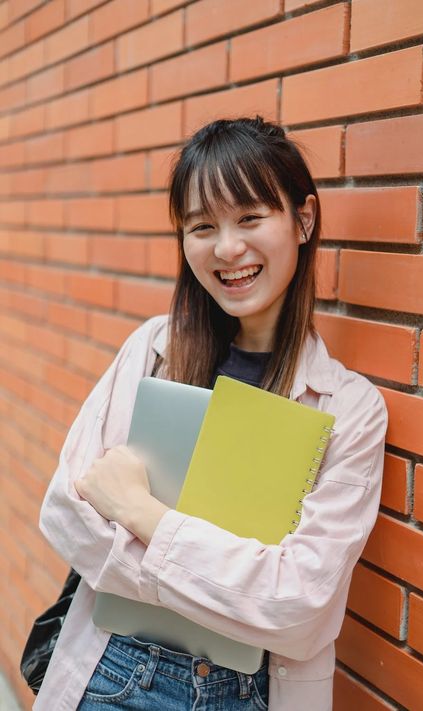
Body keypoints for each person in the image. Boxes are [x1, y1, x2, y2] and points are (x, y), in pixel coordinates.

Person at [34, 116, 388, 711]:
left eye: (250, 218)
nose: (227, 249)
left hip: (248, 693)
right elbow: (67, 514)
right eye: (202, 226)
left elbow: (297, 606)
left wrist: (142, 513)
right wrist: (228, 583)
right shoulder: (152, 350)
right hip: (114, 669)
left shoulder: (349, 409)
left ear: (303, 220)